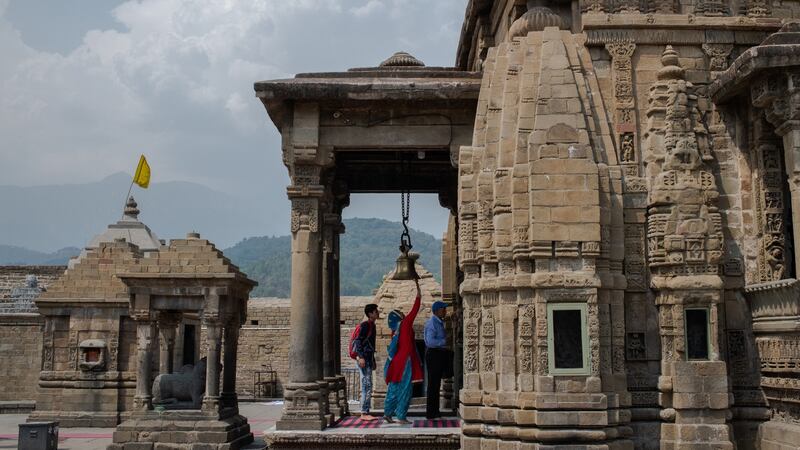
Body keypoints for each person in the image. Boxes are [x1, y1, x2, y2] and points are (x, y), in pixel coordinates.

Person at [383, 279, 424, 424]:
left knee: (393, 387)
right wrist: (418, 291)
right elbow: (415, 309)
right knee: (405, 388)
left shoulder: (395, 331)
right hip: (406, 361)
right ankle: (401, 416)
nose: (403, 313)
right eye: (400, 313)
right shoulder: (405, 323)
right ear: (399, 317)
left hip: (396, 362)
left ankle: (388, 413)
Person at [354, 303, 379, 420]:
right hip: (364, 359)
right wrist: (361, 357)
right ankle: (364, 413)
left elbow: (371, 345)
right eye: (375, 311)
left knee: (368, 385)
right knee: (366, 386)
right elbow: (358, 341)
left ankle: (366, 411)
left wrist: (373, 360)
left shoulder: (372, 325)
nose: (377, 313)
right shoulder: (365, 325)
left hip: (368, 359)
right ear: (370, 314)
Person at [423, 299, 448, 419]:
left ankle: (435, 411)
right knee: (433, 384)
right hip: (434, 354)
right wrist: (444, 341)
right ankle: (431, 413)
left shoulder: (438, 322)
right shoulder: (432, 323)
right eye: (444, 309)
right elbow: (431, 341)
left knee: (436, 384)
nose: (445, 311)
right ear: (438, 311)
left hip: (437, 354)